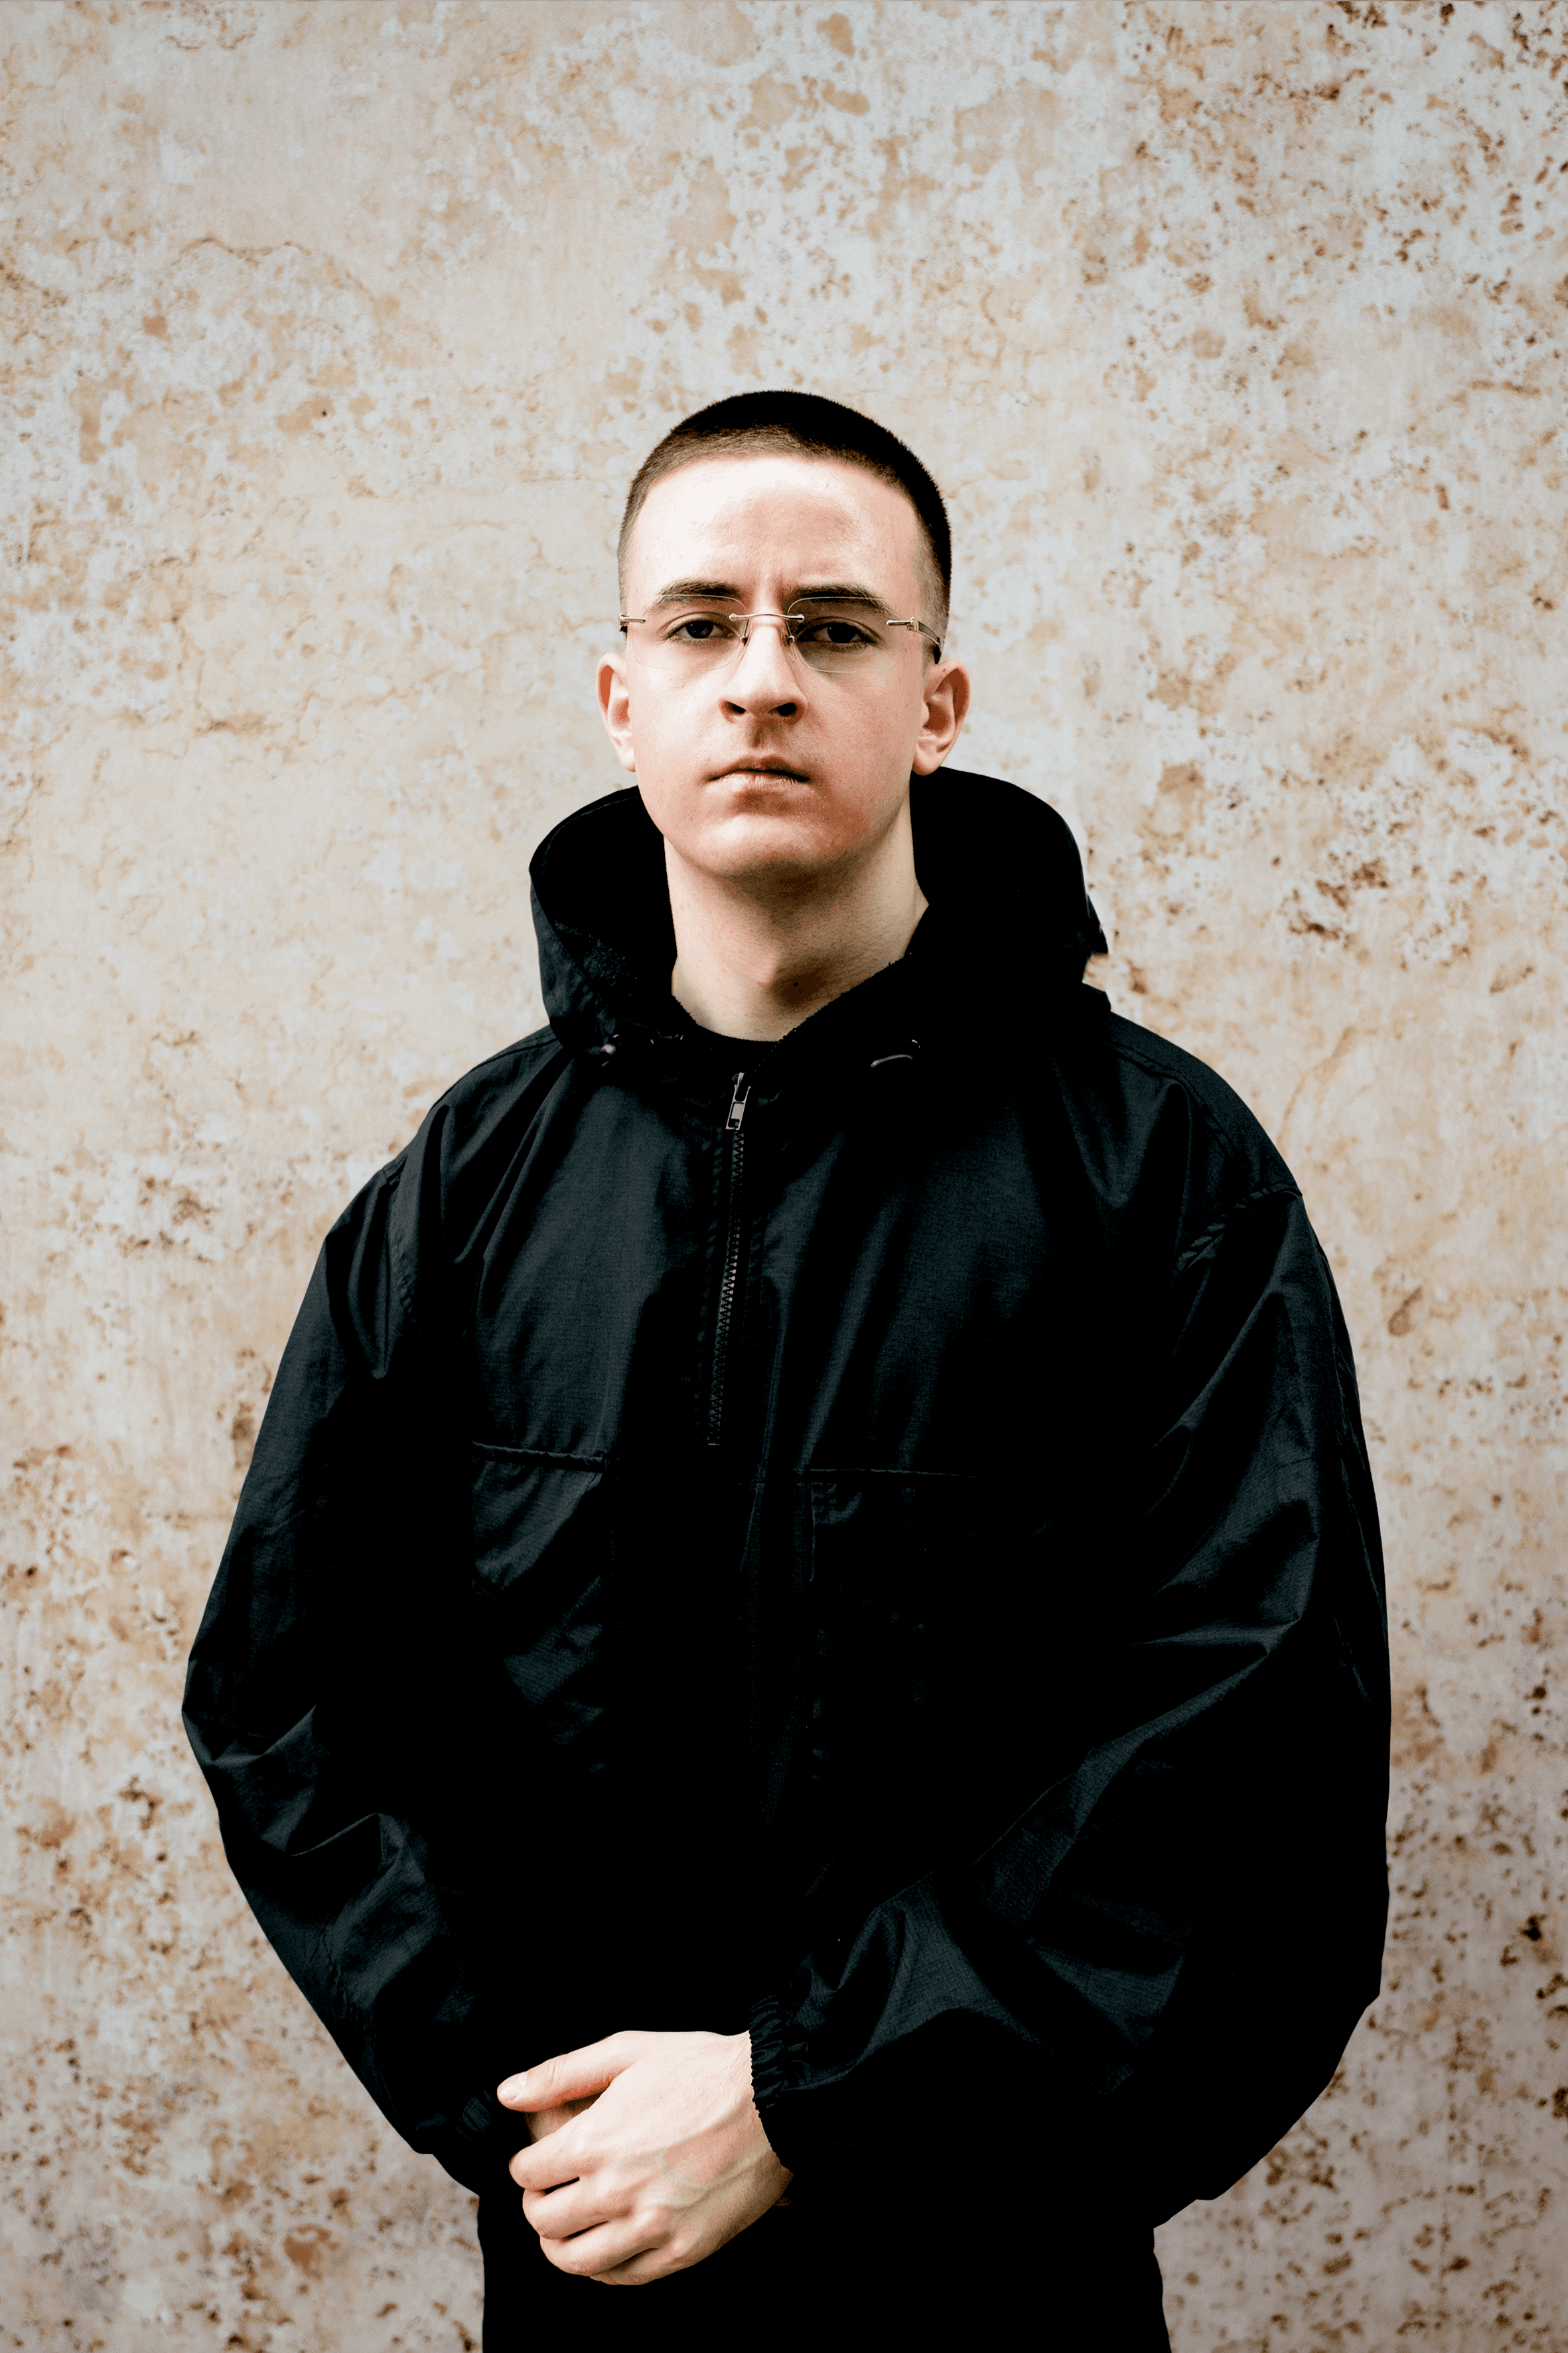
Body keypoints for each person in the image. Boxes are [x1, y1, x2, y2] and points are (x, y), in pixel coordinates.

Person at [183, 390, 1390, 2347]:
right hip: (592, 2257)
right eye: (702, 626)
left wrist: (803, 2094)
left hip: (996, 2263)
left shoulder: (1157, 1173)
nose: (762, 680)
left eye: (834, 627)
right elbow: (289, 1695)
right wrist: (555, 2114)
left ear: (938, 701)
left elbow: (1253, 1735)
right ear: (618, 695)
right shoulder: (469, 1189)